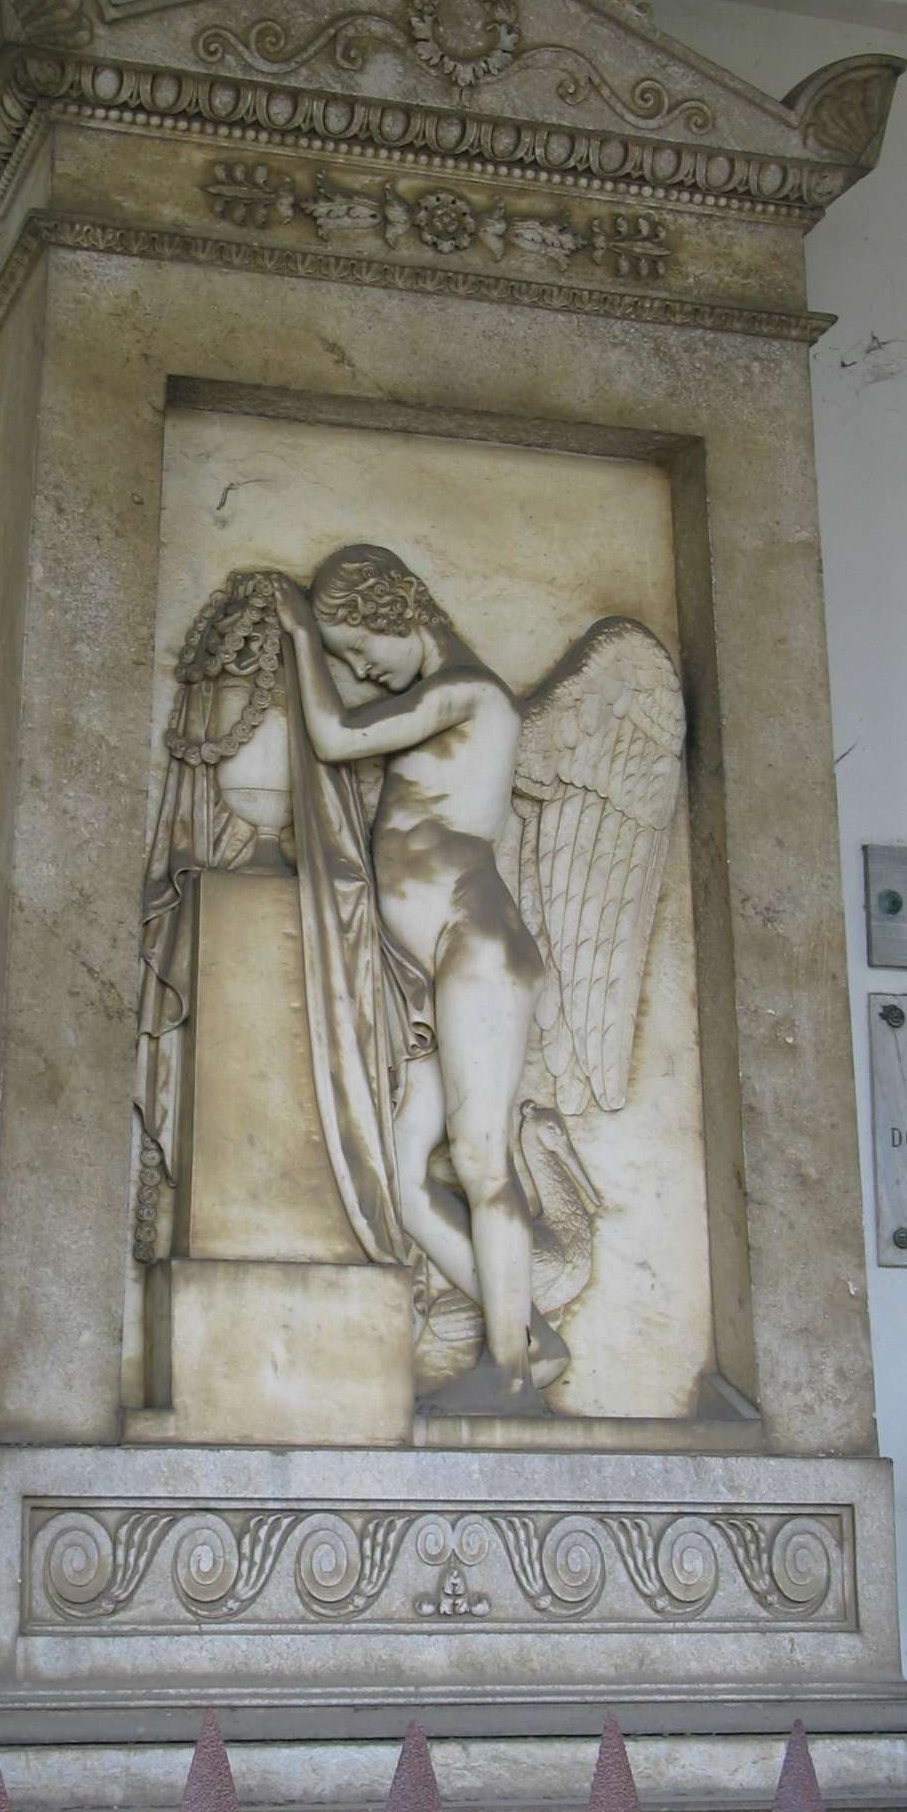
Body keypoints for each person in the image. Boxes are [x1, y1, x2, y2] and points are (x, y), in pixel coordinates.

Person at [274, 544, 566, 1414]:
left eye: (361, 649)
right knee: (402, 1179)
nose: (362, 672)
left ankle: (508, 1377)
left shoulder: (470, 694)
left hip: (476, 952)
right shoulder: (435, 702)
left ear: (399, 610)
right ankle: (531, 1338)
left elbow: (335, 736)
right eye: (346, 660)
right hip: (435, 968)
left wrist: (300, 636)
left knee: (480, 1158)